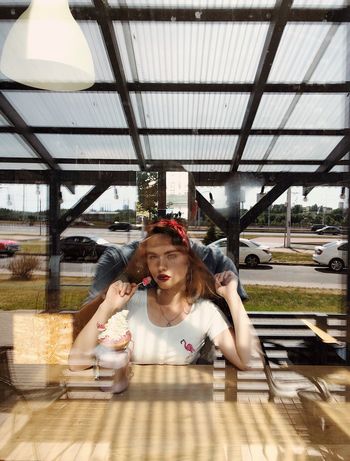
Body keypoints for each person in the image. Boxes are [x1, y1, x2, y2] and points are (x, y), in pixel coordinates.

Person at [69, 219, 254, 390]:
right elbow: (77, 363)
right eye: (153, 257)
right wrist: (107, 306)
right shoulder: (131, 304)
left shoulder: (205, 312)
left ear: (188, 261)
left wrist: (232, 297)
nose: (161, 266)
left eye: (171, 255)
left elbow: (247, 361)